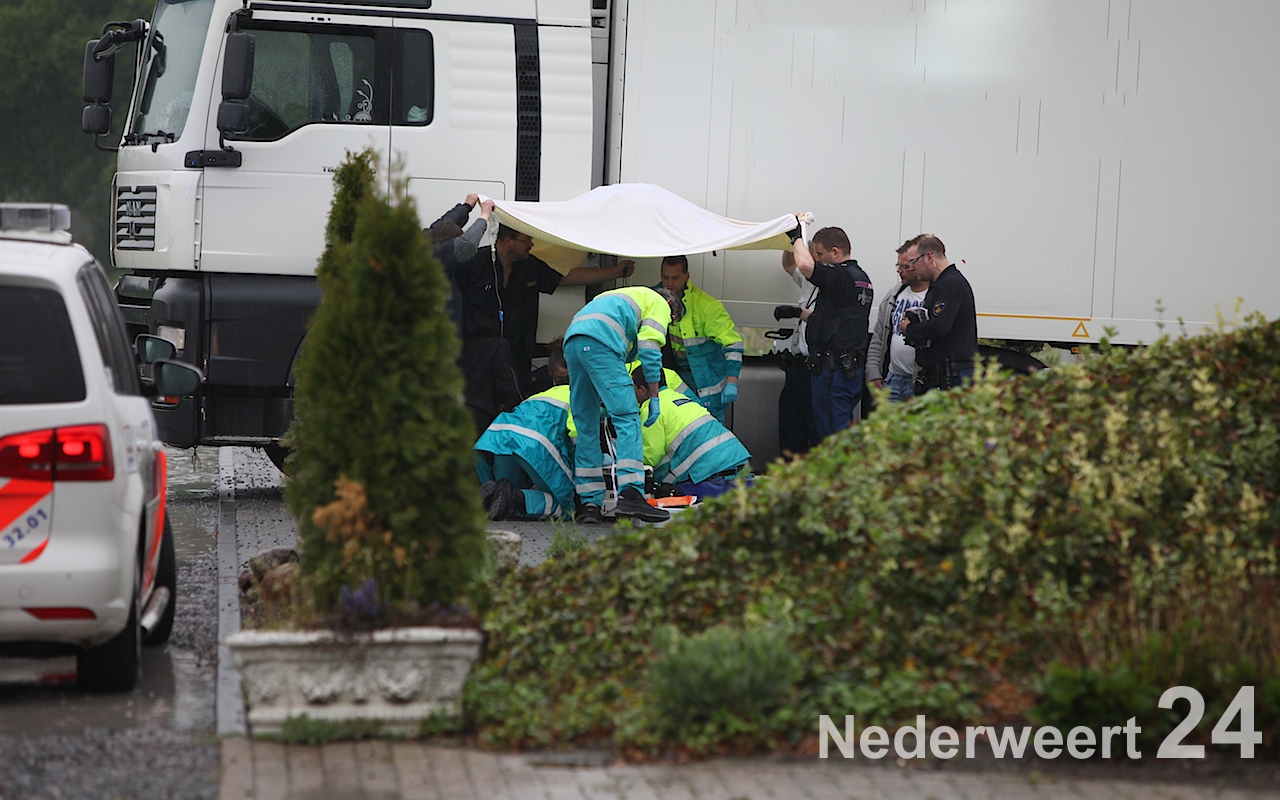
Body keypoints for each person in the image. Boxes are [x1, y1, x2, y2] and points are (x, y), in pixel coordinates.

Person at [456, 224, 636, 394]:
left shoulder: (528, 266)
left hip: (518, 356)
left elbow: (565, 278)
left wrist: (615, 272)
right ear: (508, 241)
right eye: (526, 240)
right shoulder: (475, 263)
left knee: (513, 398)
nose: (531, 244)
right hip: (478, 354)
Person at [563, 285, 684, 524]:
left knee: (587, 423)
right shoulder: (659, 303)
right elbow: (649, 349)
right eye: (671, 321)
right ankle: (631, 494)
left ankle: (589, 504)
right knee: (628, 418)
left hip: (573, 341)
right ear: (670, 305)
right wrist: (654, 396)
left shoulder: (625, 295)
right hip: (601, 343)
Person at [784, 224, 873, 442]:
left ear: (835, 252)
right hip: (848, 370)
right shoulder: (861, 279)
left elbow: (805, 265)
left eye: (821, 254)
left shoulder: (841, 275)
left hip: (833, 372)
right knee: (836, 431)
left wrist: (796, 237)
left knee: (832, 437)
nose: (818, 260)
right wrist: (799, 313)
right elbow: (835, 321)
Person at [476, 341, 578, 522]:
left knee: (506, 497)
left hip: (501, 438)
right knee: (565, 507)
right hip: (533, 443)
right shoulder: (578, 397)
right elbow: (579, 442)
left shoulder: (538, 395)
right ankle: (516, 497)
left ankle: (493, 495)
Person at [632, 367, 751, 499]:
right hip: (739, 464)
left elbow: (649, 458)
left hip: (711, 476)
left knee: (667, 492)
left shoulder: (651, 408)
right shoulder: (681, 398)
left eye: (633, 389)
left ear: (642, 389)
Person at [655, 255, 744, 423]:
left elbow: (733, 343)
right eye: (665, 277)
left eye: (675, 278)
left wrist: (732, 381)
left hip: (707, 384)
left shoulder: (707, 306)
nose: (669, 283)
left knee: (711, 430)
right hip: (675, 380)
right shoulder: (652, 300)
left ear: (687, 276)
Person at [898, 235, 977, 393]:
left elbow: (940, 326)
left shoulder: (950, 284)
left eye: (913, 261)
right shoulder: (940, 284)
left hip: (953, 375)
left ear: (929, 257)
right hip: (944, 373)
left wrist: (910, 329)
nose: (911, 268)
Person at [867, 237, 931, 403]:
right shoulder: (893, 296)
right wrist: (873, 373)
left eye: (904, 266)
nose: (898, 270)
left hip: (919, 383)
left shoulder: (934, 297)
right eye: (898, 265)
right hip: (893, 379)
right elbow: (878, 337)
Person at [774, 247, 820, 457]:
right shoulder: (809, 283)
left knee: (813, 425)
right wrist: (789, 243)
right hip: (798, 364)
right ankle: (790, 466)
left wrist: (799, 313)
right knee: (790, 422)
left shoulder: (832, 285)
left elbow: (824, 320)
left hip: (816, 367)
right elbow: (788, 264)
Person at [427, 194, 493, 336]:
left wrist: (466, 207)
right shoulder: (441, 256)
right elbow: (467, 243)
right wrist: (484, 215)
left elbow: (443, 223)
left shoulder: (427, 240)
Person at [460, 317, 522, 438]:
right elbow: (503, 383)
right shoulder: (499, 345)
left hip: (460, 407)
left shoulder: (465, 347)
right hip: (483, 412)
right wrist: (501, 404)